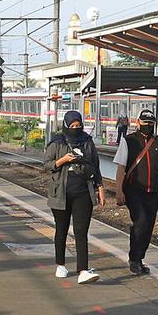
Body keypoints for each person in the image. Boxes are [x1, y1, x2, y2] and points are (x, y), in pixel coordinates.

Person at [114, 109, 158, 275]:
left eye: (151, 123)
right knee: (141, 221)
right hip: (133, 190)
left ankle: (139, 258)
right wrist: (119, 190)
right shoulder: (128, 141)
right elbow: (121, 167)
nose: (148, 126)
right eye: (145, 123)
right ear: (138, 123)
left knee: (148, 226)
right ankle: (134, 259)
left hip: (152, 191)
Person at [46, 111, 106, 284]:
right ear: (65, 125)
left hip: (83, 192)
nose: (75, 129)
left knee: (81, 231)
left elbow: (95, 165)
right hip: (60, 192)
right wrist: (63, 160)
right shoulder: (56, 142)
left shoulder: (87, 141)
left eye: (78, 126)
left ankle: (83, 270)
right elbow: (47, 165)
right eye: (72, 126)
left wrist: (100, 187)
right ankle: (60, 264)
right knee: (61, 229)